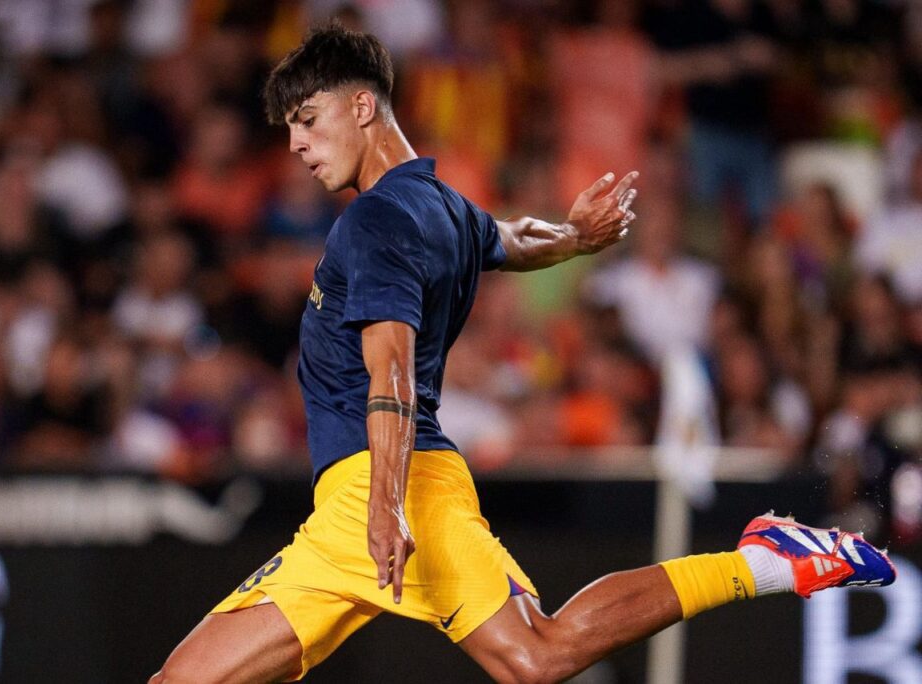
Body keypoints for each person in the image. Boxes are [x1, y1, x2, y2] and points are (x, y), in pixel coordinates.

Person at [149, 24, 896, 684]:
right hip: (348, 511)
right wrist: (575, 237)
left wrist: (385, 508)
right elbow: (509, 238)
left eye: (307, 122)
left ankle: (762, 561)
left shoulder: (374, 222)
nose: (296, 146)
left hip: (391, 488)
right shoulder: (441, 206)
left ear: (362, 106)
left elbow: (394, 372)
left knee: (537, 654)